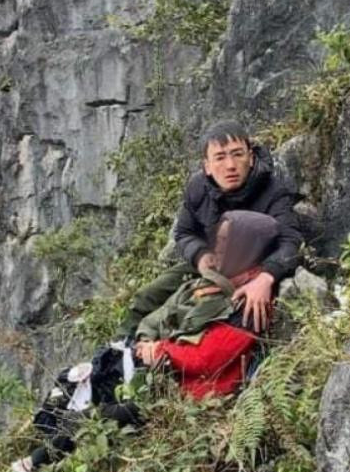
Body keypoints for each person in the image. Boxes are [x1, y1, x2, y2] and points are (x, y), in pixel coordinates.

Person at [0, 211, 278, 472]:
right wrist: (149, 343)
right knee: (76, 386)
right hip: (158, 376)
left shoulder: (249, 307)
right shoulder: (204, 285)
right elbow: (157, 316)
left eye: (229, 242)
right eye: (220, 240)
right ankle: (35, 465)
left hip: (179, 395)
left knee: (92, 419)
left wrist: (161, 350)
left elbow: (205, 359)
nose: (219, 249)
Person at [115, 120, 302, 338]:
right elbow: (185, 232)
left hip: (252, 270)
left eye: (238, 154)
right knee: (147, 297)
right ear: (207, 166)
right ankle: (115, 353)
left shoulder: (273, 191)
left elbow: (291, 242)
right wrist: (200, 255)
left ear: (251, 158)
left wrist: (267, 277)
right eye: (220, 157)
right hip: (212, 264)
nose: (230, 165)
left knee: (191, 317)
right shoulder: (198, 188)